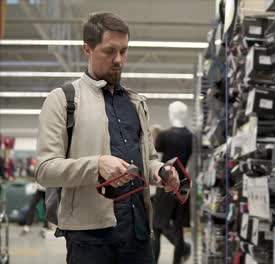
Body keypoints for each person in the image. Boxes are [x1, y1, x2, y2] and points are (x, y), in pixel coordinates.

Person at [35, 12, 179, 264]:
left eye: (124, 51)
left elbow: (149, 159)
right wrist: (97, 165)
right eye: (110, 51)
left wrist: (160, 171)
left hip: (139, 234)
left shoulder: (136, 103)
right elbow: (45, 170)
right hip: (90, 239)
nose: (119, 60)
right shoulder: (63, 100)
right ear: (86, 49)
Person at [152, 101, 193, 264]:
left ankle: (153, 260)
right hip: (183, 183)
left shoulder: (164, 135)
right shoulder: (192, 137)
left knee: (157, 226)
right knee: (179, 227)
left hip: (167, 180)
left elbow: (158, 150)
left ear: (172, 114)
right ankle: (178, 261)